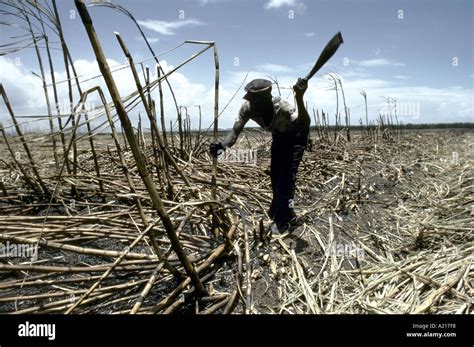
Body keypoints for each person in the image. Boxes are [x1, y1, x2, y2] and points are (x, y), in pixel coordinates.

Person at [209, 78, 310, 234]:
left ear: (268, 96)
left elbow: (304, 123)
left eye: (259, 101)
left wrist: (300, 98)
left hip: (296, 136)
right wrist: (222, 147)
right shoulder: (247, 108)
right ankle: (284, 212)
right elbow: (235, 131)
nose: (255, 105)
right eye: (252, 100)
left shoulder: (282, 107)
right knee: (275, 176)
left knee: (286, 178)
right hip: (279, 136)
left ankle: (284, 220)